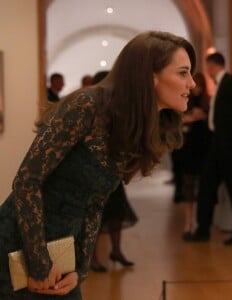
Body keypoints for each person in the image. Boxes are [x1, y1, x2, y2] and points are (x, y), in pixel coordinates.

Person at [0, 31, 196, 299]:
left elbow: (94, 203)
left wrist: (79, 269)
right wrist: (39, 263)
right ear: (150, 77)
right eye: (183, 73)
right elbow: (27, 181)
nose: (192, 83)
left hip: (61, 254)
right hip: (18, 244)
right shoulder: (87, 106)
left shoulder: (132, 126)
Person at [186, 52, 232, 245]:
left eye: (208, 66)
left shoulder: (230, 83)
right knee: (207, 185)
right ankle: (202, 229)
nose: (207, 70)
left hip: (228, 146)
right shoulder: (220, 85)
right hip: (217, 144)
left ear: (214, 65)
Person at [90, 70, 138, 272]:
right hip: (94, 171)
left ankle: (116, 251)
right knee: (96, 217)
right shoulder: (92, 109)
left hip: (112, 169)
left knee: (116, 211)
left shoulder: (115, 108)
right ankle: (92, 258)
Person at [181, 72, 210, 239]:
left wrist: (203, 116)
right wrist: (192, 117)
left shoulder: (208, 102)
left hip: (204, 148)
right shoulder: (186, 101)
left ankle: (200, 222)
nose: (197, 88)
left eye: (200, 85)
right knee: (188, 185)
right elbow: (178, 120)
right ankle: (188, 222)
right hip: (189, 148)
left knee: (203, 187)